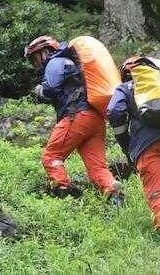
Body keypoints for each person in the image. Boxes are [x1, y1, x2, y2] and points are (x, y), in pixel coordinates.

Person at [25, 35, 122, 203]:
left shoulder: (55, 61)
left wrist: (39, 91)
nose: (36, 63)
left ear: (46, 51)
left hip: (77, 116)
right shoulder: (74, 64)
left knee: (51, 156)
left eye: (35, 57)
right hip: (96, 119)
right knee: (97, 167)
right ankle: (115, 197)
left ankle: (64, 195)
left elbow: (51, 88)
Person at [107, 56, 160, 245]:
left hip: (147, 146)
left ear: (127, 73)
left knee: (155, 190)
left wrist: (126, 142)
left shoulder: (127, 87)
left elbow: (114, 111)